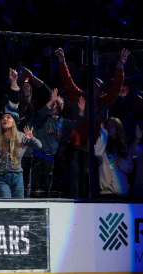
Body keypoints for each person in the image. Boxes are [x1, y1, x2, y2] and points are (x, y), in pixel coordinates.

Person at [55, 47, 130, 198]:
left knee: (94, 185)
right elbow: (67, 82)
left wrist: (120, 66)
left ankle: (93, 212)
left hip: (96, 153)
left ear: (101, 92)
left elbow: (116, 88)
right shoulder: (79, 97)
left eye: (96, 88)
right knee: (76, 185)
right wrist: (62, 62)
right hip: (77, 150)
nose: (92, 90)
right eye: (91, 87)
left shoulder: (104, 102)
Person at [30, 88, 85, 197]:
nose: (52, 106)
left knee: (46, 186)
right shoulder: (43, 118)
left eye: (55, 105)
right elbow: (40, 113)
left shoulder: (61, 121)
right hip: (38, 156)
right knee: (35, 186)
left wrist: (81, 112)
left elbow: (77, 123)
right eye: (51, 104)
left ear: (59, 108)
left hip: (50, 159)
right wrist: (51, 100)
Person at [95, 117, 133, 198]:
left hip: (122, 193)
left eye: (112, 125)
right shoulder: (103, 145)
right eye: (107, 125)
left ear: (118, 128)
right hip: (107, 192)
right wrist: (103, 134)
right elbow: (97, 153)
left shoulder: (123, 147)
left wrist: (121, 161)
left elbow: (129, 169)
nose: (109, 127)